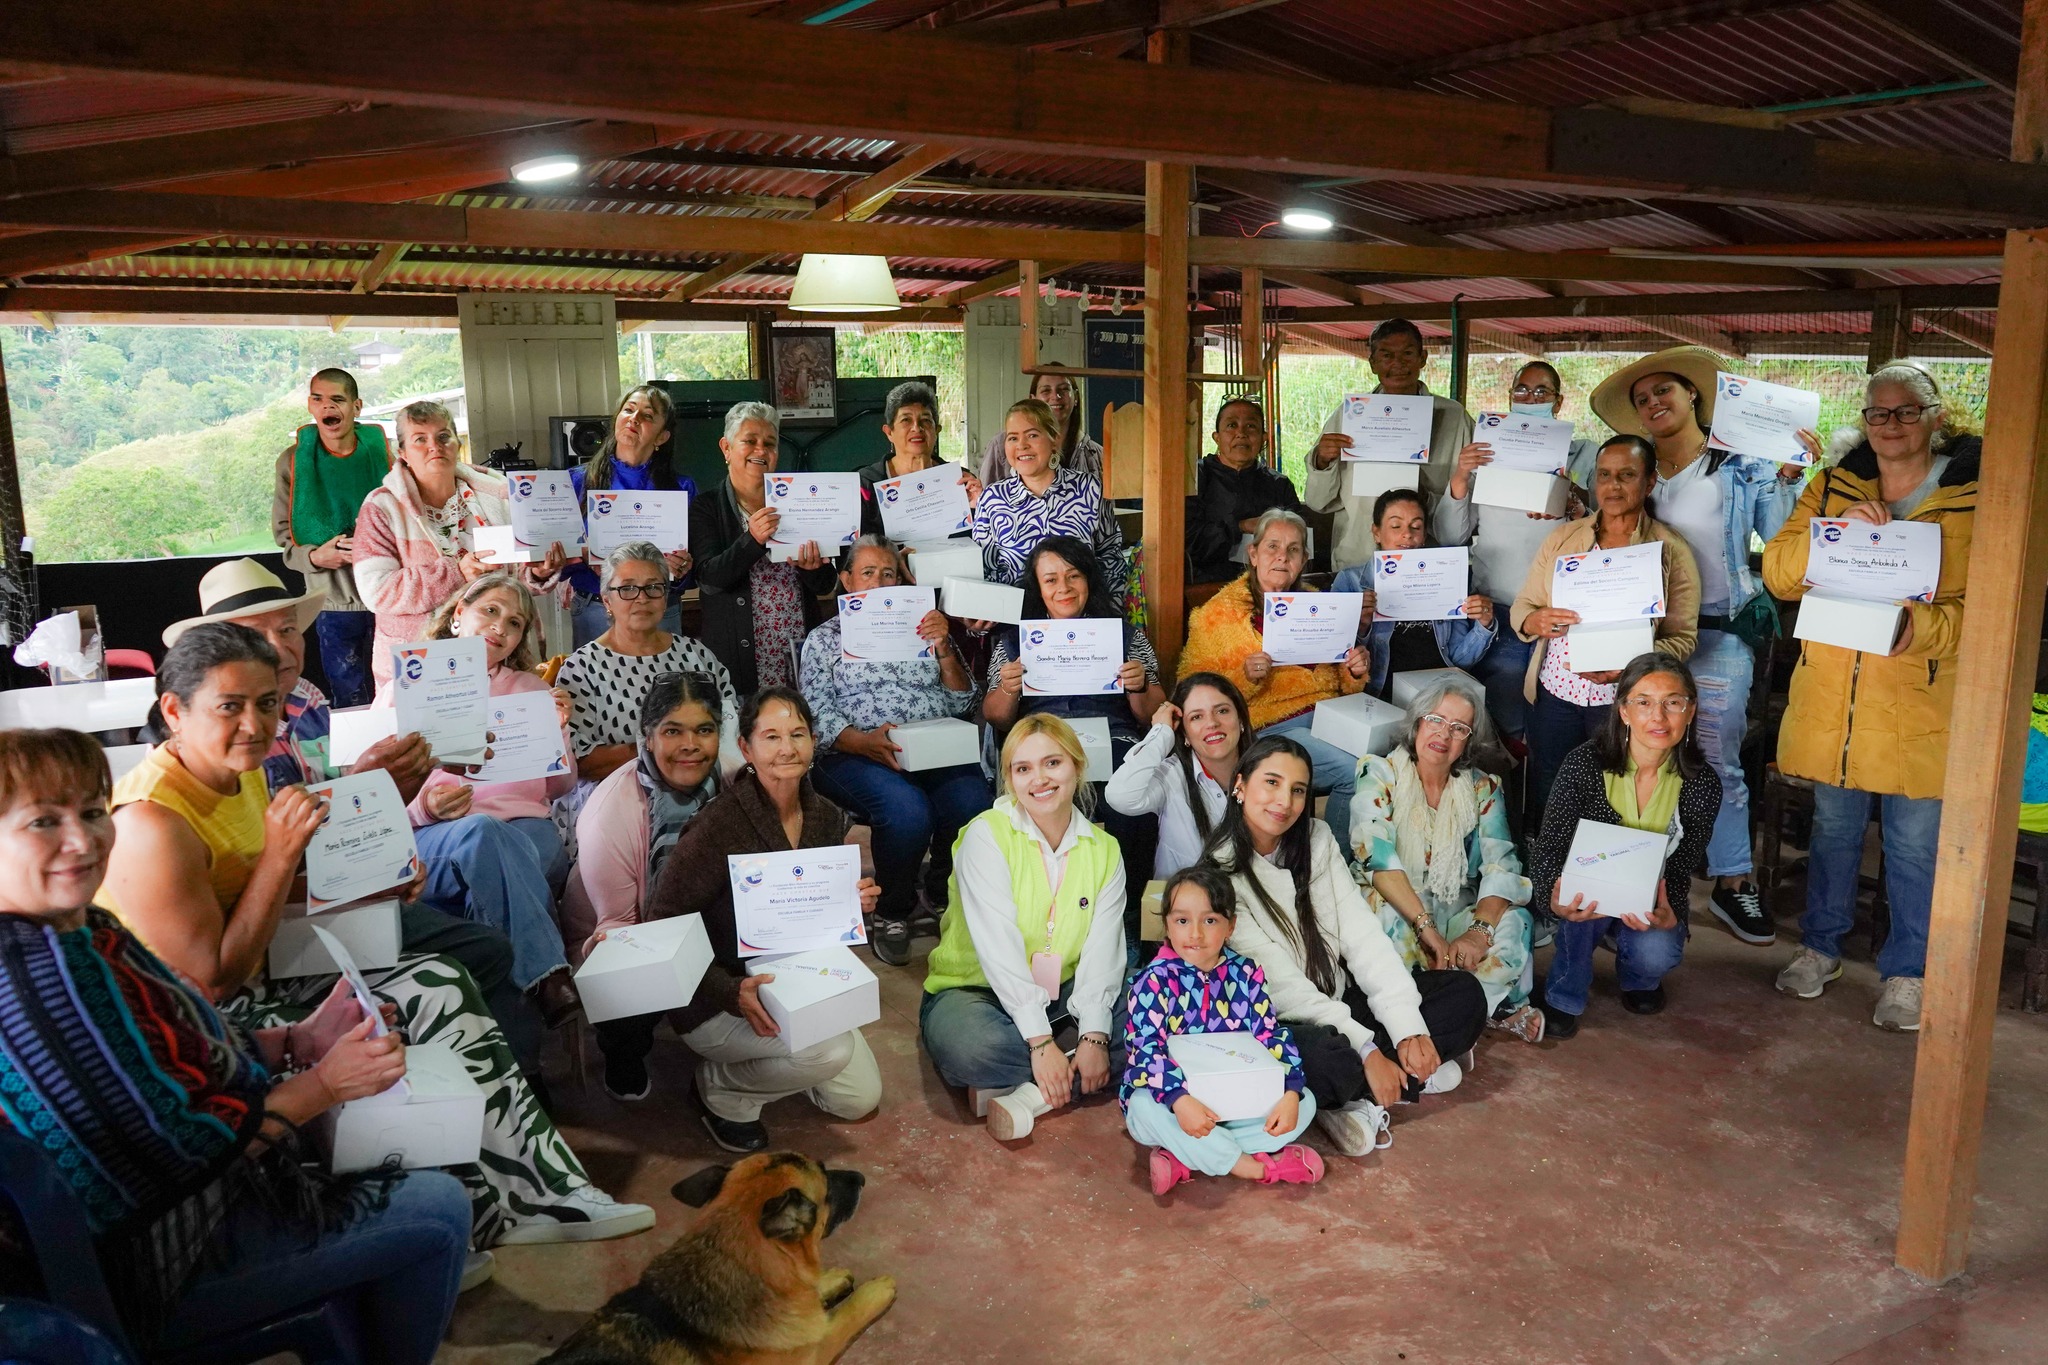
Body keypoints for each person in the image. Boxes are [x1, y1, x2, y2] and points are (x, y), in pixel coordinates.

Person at [94, 624, 652, 1262]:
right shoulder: (151, 822)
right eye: (230, 706)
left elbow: (266, 892)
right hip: (204, 1026)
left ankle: (530, 1193)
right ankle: (470, 1206)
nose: (255, 724)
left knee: (442, 978)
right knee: (422, 994)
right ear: (174, 710)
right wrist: (282, 856)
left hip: (273, 962)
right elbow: (209, 983)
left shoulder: (233, 768)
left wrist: (368, 885)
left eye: (266, 703)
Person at [0, 727, 472, 1360]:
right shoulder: (36, 979)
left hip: (172, 1223)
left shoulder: (76, 930)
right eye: (41, 823)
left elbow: (165, 1052)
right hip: (145, 1275)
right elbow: (183, 1156)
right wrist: (324, 1084)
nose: (82, 840)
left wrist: (294, 1041)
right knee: (440, 1208)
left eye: (90, 811)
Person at [167, 558, 542, 1070]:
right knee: (470, 922)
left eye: (288, 629)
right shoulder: (210, 752)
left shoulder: (308, 701)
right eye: (256, 635)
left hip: (329, 891)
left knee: (488, 939)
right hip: (280, 921)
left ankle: (505, 1091)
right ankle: (493, 1088)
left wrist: (383, 857)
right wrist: (382, 815)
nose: (280, 646)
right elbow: (257, 881)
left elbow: (341, 817)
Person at [1765, 363, 1979, 1031]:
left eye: (1906, 411)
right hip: (1836, 701)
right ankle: (1820, 946)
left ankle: (1907, 972)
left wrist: (1923, 627)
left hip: (1918, 702)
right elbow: (1779, 571)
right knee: (1834, 830)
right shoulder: (1834, 485)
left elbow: (1990, 608)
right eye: (1878, 413)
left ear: (1936, 416)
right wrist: (1838, 538)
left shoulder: (1979, 495)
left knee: (1915, 846)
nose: (1890, 425)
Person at [1589, 347, 1807, 948]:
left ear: (1693, 397)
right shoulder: (1634, 471)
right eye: (1642, 399)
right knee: (1640, 759)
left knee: (1716, 756)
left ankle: (1735, 882)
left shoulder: (1736, 466)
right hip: (1647, 634)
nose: (1654, 403)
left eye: (1665, 391)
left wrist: (1788, 478)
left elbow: (1782, 536)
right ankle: (1633, 883)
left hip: (1719, 631)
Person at [622, 687, 884, 1153]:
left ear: (813, 740)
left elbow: (811, 915)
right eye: (771, 736)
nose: (787, 748)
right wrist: (727, 990)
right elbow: (663, 925)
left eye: (798, 734)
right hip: (721, 998)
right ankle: (718, 1089)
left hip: (795, 982)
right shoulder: (718, 824)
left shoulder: (825, 816)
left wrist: (849, 904)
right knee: (832, 1051)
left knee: (857, 1099)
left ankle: (783, 1065)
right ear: (745, 748)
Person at [1201, 735, 1487, 1158]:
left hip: (1339, 997)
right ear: (1240, 786)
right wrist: (1368, 1048)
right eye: (1272, 783)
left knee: (1465, 995)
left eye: (1298, 790)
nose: (1285, 801)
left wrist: (1407, 1028)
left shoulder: (1315, 838)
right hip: (1283, 1021)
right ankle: (1383, 1082)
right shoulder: (1220, 874)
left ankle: (1361, 1094)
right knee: (1322, 1058)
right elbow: (1282, 988)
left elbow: (1362, 936)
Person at [920, 714, 1128, 1143]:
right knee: (972, 1050)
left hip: (1062, 993)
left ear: (1077, 765)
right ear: (1010, 779)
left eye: (1053, 763)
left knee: (1154, 1010)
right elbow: (997, 946)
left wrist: (1094, 1033)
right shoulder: (986, 836)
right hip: (973, 992)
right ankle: (1069, 1065)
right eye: (1023, 768)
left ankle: (1030, 1094)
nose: (1040, 779)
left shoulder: (1105, 850)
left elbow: (1103, 950)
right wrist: (1038, 1041)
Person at [394, 573, 580, 1024]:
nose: (501, 627)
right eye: (490, 611)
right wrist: (424, 807)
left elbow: (559, 789)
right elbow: (375, 794)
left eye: (515, 622)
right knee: (481, 836)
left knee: (495, 859)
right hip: (436, 838)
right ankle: (548, 978)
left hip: (527, 830)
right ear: (459, 615)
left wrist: (559, 733)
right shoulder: (407, 681)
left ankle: (511, 1056)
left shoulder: (531, 689)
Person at [801, 535, 989, 966]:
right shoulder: (825, 639)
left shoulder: (926, 628)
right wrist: (863, 743)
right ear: (847, 581)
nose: (881, 582)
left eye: (889, 572)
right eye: (868, 573)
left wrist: (944, 650)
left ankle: (942, 890)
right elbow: (815, 717)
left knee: (974, 800)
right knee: (907, 810)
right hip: (851, 753)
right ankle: (893, 910)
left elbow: (964, 701)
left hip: (933, 747)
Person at [1527, 654, 1722, 1038]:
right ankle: (1565, 991)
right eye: (1644, 702)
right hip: (1587, 899)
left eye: (1673, 702)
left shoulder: (1701, 784)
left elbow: (1682, 867)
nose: (1659, 717)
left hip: (1648, 899)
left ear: (1691, 710)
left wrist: (1671, 914)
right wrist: (1553, 897)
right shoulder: (1584, 764)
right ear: (1624, 711)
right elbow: (1549, 847)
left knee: (1658, 951)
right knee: (1583, 904)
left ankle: (1638, 977)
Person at [1511, 435, 1702, 823]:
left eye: (1627, 475)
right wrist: (1535, 621)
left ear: (1649, 482)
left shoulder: (1670, 549)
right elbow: (1523, 608)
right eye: (1604, 475)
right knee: (1549, 783)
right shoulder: (1564, 538)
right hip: (1556, 693)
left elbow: (1683, 637)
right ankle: (1546, 874)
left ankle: (1600, 877)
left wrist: (1635, 669)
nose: (1613, 486)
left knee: (1614, 792)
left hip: (1624, 701)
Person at [983, 536, 1163, 941]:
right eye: (1051, 580)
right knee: (1040, 793)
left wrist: (1138, 685)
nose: (1063, 588)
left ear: (1089, 581)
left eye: (1073, 576)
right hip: (1041, 738)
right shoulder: (1015, 640)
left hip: (1113, 736)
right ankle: (1046, 916)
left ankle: (1128, 912)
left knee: (1131, 800)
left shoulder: (1125, 635)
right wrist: (1009, 688)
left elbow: (1154, 713)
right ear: (1038, 587)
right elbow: (994, 717)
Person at [560, 672, 725, 1099]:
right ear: (647, 738)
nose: (690, 745)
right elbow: (618, 928)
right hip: (613, 932)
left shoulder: (730, 783)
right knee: (627, 979)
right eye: (673, 731)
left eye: (704, 730)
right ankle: (623, 1051)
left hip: (697, 917)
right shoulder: (610, 813)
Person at [1351, 673, 1542, 1043]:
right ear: (1418, 722)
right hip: (1401, 907)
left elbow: (1502, 864)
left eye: (1459, 728)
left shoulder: (1482, 788)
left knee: (1515, 919)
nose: (1443, 734)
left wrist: (1477, 931)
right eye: (1436, 720)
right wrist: (1426, 927)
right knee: (1383, 915)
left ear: (1469, 740)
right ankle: (1437, 1019)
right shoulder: (1379, 772)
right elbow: (1376, 857)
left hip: (1454, 912)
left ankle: (1466, 1015)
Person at [1122, 865, 1323, 1195]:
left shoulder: (1247, 974)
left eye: (1210, 920)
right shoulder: (1153, 981)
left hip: (1237, 1103)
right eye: (1182, 921)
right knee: (1142, 1108)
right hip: (1174, 1105)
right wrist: (1179, 1101)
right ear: (1167, 925)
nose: (1196, 934)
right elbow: (1146, 1050)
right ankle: (1255, 1167)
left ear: (1231, 925)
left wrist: (1290, 1090)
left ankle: (1185, 1158)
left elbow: (1269, 1035)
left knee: (1306, 1103)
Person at [1178, 508, 1371, 847]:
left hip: (1331, 718)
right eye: (1272, 547)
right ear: (1252, 554)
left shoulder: (1319, 605)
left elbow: (1343, 682)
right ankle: (1338, 870)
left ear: (1304, 559)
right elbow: (1190, 691)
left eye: (1294, 549)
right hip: (1267, 726)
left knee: (1395, 759)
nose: (1282, 557)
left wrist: (1354, 669)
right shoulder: (1216, 616)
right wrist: (1244, 678)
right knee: (1355, 773)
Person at [1434, 360, 1601, 739]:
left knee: (1555, 722)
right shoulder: (1487, 458)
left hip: (1562, 612)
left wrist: (1572, 497)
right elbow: (1449, 535)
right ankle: (1505, 793)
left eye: (1542, 391)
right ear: (1509, 398)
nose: (1531, 397)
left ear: (1558, 403)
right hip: (1502, 606)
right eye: (1521, 390)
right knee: (1504, 723)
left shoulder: (1584, 455)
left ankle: (1547, 793)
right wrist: (1461, 474)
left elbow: (1605, 524)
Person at [354, 399, 568, 686]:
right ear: (402, 453)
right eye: (420, 439)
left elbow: (515, 583)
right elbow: (376, 591)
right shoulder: (381, 506)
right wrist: (457, 572)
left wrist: (537, 572)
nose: (435, 446)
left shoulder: (499, 493)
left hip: (498, 658)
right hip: (417, 664)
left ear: (457, 443)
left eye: (444, 436)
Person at [556, 541, 739, 791]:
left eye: (653, 587)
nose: (642, 598)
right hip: (616, 798)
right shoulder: (581, 668)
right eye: (628, 588)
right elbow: (581, 763)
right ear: (607, 600)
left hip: (700, 791)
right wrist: (661, 749)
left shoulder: (696, 655)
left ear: (665, 597)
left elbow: (730, 731)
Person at [1304, 318, 1476, 570]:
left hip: (1426, 561)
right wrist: (1322, 460)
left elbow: (1471, 491)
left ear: (1423, 358)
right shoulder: (1349, 416)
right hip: (1359, 557)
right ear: (1373, 363)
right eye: (1386, 355)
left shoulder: (1453, 416)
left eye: (1407, 353)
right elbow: (1318, 501)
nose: (1398, 363)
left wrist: (1424, 494)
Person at [690, 401, 836, 696]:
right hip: (740, 658)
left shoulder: (800, 501)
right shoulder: (705, 507)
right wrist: (752, 539)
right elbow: (709, 579)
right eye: (750, 441)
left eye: (770, 443)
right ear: (727, 448)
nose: (761, 450)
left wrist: (813, 568)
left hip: (797, 649)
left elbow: (825, 584)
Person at [270, 367, 388, 707]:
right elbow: (285, 539)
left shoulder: (386, 454)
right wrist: (315, 557)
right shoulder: (293, 462)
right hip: (334, 604)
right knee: (351, 701)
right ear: (309, 405)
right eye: (318, 399)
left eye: (337, 399)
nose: (328, 407)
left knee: (400, 694)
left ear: (356, 406)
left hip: (390, 597)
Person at [1331, 487, 1496, 698]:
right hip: (1380, 692)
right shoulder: (1351, 581)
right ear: (1377, 532)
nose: (1407, 534)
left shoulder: (1448, 578)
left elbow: (1459, 661)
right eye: (1396, 525)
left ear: (1424, 535)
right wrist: (1363, 626)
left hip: (1438, 691)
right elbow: (1337, 665)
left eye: (1416, 526)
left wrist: (1484, 625)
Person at [566, 384, 697, 647]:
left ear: (662, 437)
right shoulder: (577, 481)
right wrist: (580, 553)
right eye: (628, 410)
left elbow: (689, 573)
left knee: (664, 687)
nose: (634, 419)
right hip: (596, 606)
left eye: (647, 415)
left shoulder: (681, 488)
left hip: (659, 607)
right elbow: (557, 559)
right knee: (595, 688)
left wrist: (682, 568)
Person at [972, 397, 1128, 602]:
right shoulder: (992, 499)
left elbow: (1111, 556)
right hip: (1016, 622)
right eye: (1012, 438)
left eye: (1032, 435)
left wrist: (1110, 614)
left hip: (1084, 620)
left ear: (1054, 440)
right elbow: (984, 570)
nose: (1022, 445)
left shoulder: (1090, 489)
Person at [1103, 671, 1250, 882]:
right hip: (1182, 908)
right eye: (1196, 717)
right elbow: (1120, 796)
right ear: (1185, 734)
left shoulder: (1266, 770)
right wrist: (1162, 732)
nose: (1212, 723)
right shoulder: (1171, 774)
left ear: (1241, 720)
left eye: (1222, 711)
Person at [1189, 397, 1306, 583]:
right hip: (1205, 587)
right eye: (1231, 425)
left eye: (1251, 426)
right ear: (1217, 437)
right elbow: (1189, 542)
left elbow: (1298, 542)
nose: (1241, 433)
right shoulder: (1194, 478)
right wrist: (1240, 526)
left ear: (1263, 437)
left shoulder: (1279, 485)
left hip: (1267, 588)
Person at [857, 379, 984, 538]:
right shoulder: (866, 484)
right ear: (889, 432)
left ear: (936, 430)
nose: (917, 428)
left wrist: (981, 506)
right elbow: (854, 551)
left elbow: (982, 542)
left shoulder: (961, 480)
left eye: (925, 420)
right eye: (906, 420)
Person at [980, 364, 1103, 487]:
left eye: (1064, 389)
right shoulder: (999, 445)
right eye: (1046, 390)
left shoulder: (1096, 453)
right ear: (1032, 399)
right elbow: (985, 496)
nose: (1056, 396)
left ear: (1076, 397)